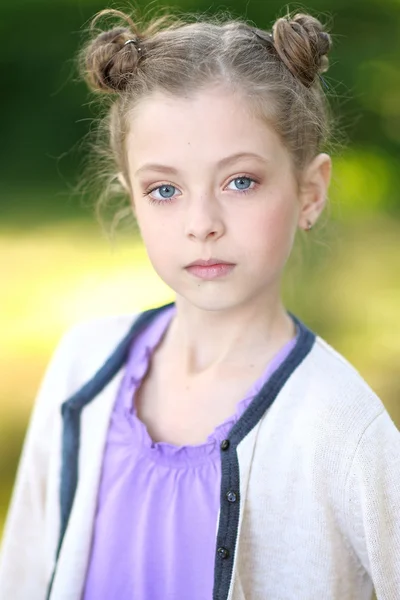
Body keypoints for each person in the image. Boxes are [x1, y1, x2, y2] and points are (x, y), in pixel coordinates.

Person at [0, 6, 399, 600]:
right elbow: (23, 573)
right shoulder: (82, 368)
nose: (202, 224)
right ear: (131, 199)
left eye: (240, 181)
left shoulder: (344, 432)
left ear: (309, 192)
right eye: (165, 190)